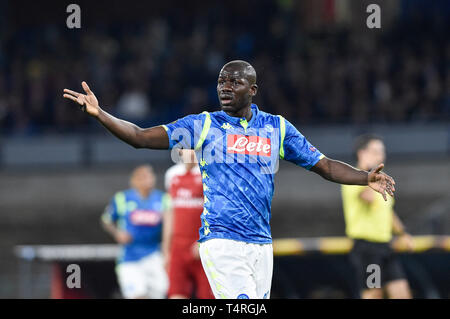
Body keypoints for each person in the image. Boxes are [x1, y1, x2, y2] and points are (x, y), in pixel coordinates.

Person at [64, 60, 396, 299]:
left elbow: (322, 165)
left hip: (261, 244)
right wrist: (101, 114)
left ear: (252, 90)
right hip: (222, 241)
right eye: (221, 81)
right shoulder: (204, 125)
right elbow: (139, 136)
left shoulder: (277, 128)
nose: (225, 87)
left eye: (234, 82)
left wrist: (363, 177)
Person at [342, 134, 413, 299]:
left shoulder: (380, 179)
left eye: (382, 151)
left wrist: (403, 233)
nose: (381, 156)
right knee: (373, 294)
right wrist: (368, 174)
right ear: (362, 153)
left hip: (385, 246)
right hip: (368, 248)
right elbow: (367, 198)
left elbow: (388, 212)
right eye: (375, 151)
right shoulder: (353, 177)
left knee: (402, 293)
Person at [101, 165, 170, 299]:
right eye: (143, 177)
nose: (148, 180)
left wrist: (167, 252)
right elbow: (106, 220)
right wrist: (117, 233)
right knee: (137, 295)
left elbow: (169, 227)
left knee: (159, 293)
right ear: (134, 181)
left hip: (153, 254)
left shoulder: (162, 199)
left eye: (150, 176)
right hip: (129, 257)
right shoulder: (122, 198)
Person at [162, 149, 214, 299]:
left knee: (207, 295)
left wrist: (204, 240)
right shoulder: (171, 175)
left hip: (201, 245)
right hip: (178, 246)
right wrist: (166, 249)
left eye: (194, 148)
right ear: (179, 151)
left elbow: (216, 211)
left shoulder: (208, 172)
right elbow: (169, 213)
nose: (190, 153)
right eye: (186, 148)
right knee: (176, 293)